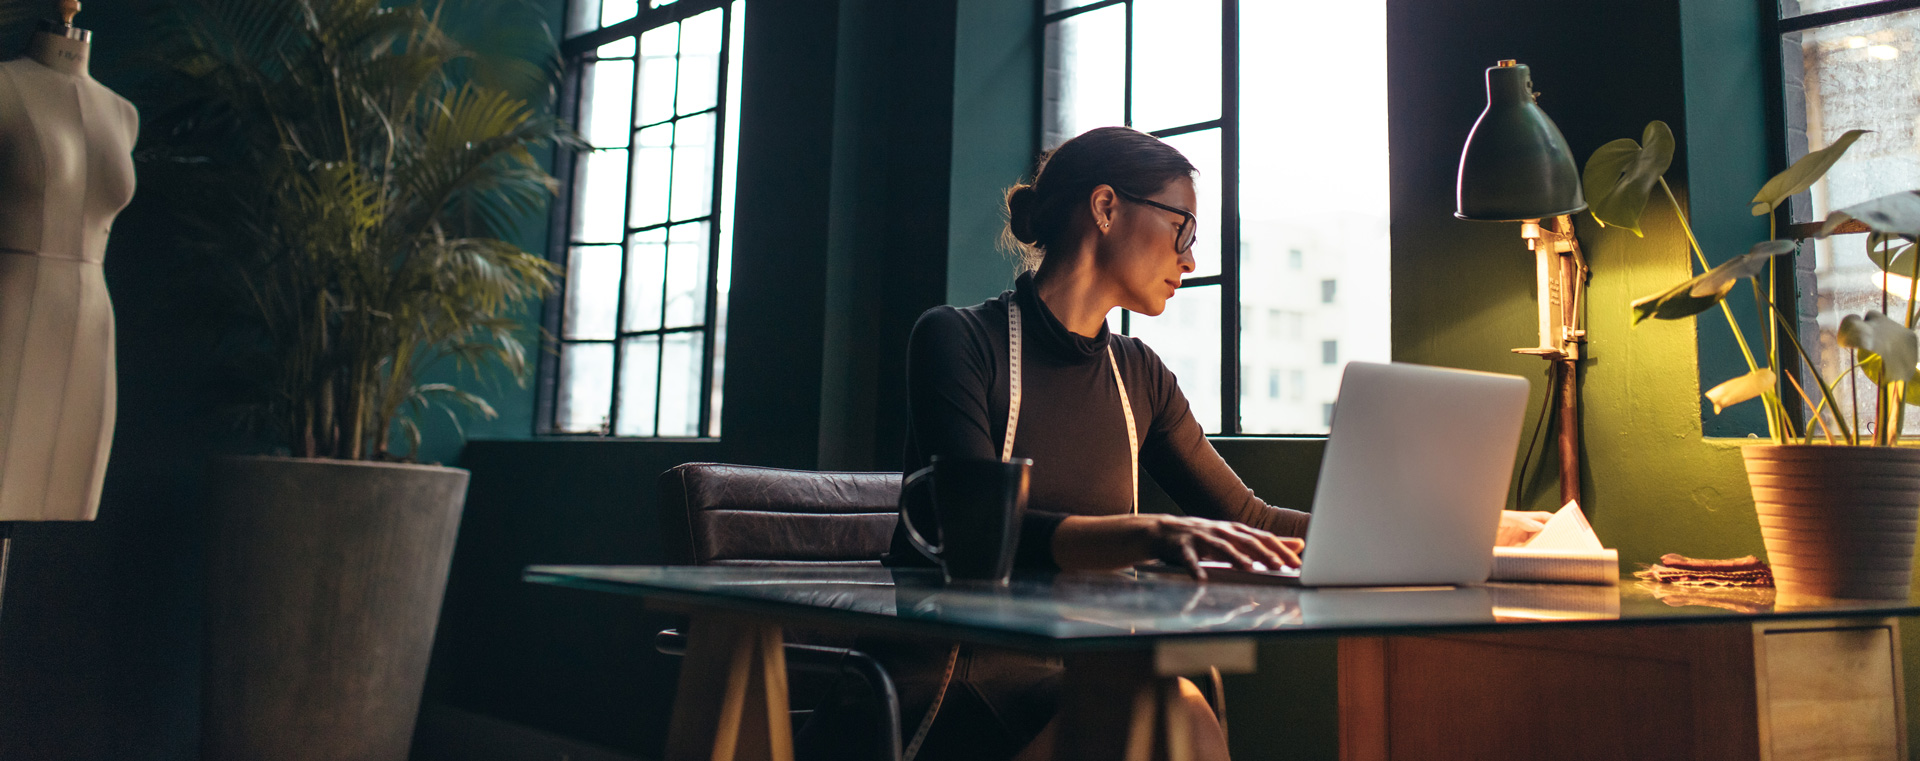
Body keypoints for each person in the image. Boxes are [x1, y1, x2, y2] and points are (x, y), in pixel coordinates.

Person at [831, 127, 1549, 761]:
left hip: (1082, 676)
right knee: (1170, 705)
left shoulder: (1138, 374)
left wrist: (1458, 530)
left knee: (1172, 698)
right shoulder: (958, 341)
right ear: (1106, 207)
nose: (1192, 258)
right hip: (949, 689)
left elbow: (1252, 522)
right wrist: (1149, 532)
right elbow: (978, 534)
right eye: (1182, 228)